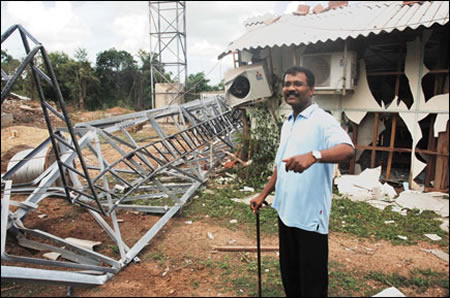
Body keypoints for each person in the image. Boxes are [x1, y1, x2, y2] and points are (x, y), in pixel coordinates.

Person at [250, 66, 355, 297]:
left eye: (297, 84)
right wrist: (263, 194)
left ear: (311, 89)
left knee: (312, 284)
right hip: (286, 213)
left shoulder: (321, 120)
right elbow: (280, 166)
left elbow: (348, 149)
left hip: (310, 218)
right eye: (287, 84)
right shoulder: (288, 122)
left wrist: (315, 155)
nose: (291, 88)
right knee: (290, 278)